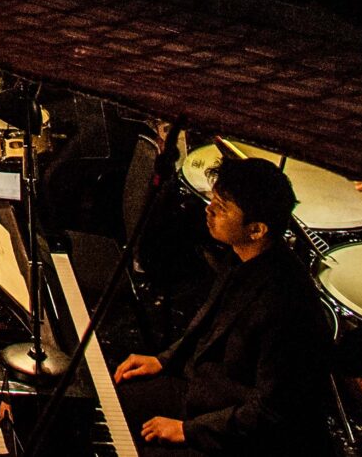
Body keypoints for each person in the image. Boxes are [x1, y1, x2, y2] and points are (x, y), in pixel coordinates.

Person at [113, 156, 331, 454]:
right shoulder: (241, 253)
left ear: (257, 229)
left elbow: (271, 410)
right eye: (213, 199)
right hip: (203, 392)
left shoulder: (286, 305)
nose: (209, 210)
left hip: (235, 432)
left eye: (222, 207)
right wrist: (164, 360)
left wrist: (188, 431)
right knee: (108, 397)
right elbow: (207, 326)